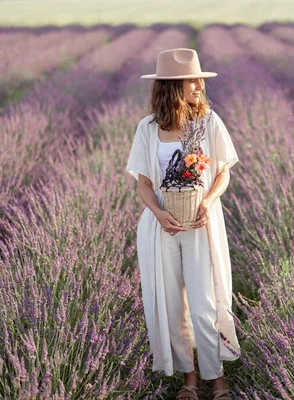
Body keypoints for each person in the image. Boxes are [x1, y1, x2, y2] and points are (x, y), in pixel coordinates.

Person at [125, 48, 241, 400]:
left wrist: (207, 201)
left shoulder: (209, 122)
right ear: (173, 86)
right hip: (161, 228)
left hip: (200, 225)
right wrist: (159, 214)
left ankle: (216, 377)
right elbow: (143, 183)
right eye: (192, 80)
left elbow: (223, 172)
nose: (198, 86)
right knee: (171, 304)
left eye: (199, 80)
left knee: (204, 303)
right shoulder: (147, 128)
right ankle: (190, 378)